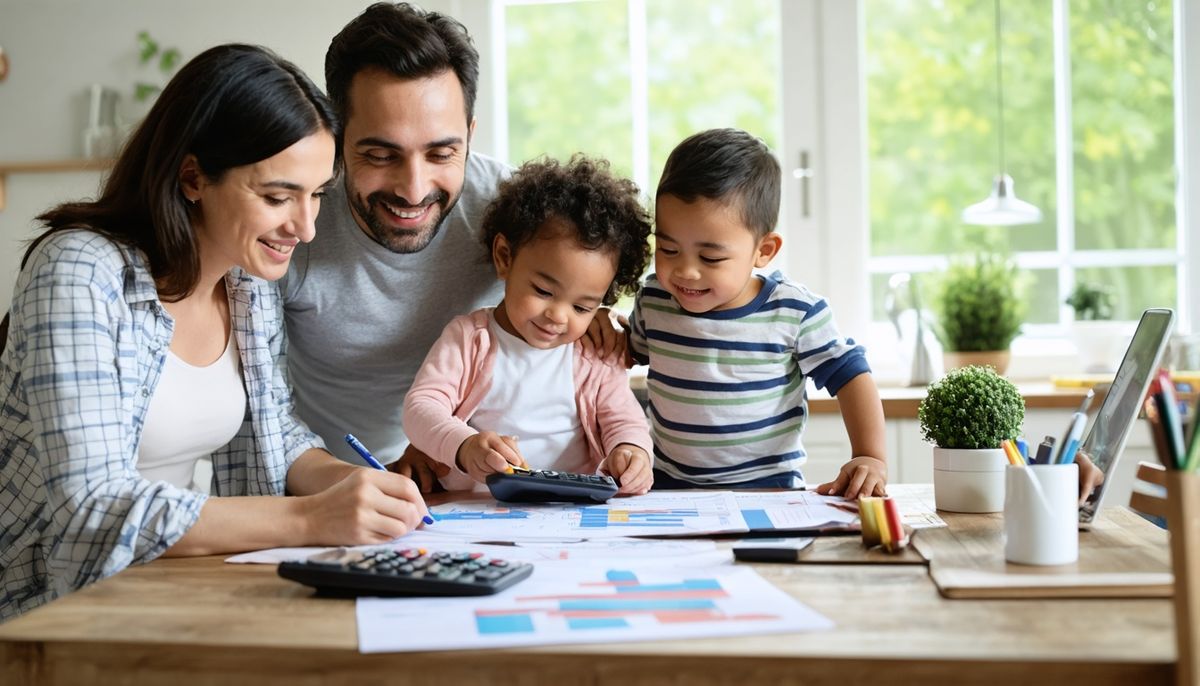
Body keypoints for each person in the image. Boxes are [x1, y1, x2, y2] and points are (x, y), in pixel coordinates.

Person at [0, 44, 430, 620]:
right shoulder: (78, 270)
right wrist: (311, 518)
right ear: (193, 177)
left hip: (161, 587)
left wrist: (351, 484)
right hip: (46, 607)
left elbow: (276, 433)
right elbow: (90, 508)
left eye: (317, 196)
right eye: (278, 196)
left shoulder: (247, 284)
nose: (304, 228)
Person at [281, 2, 626, 490]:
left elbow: (579, 282)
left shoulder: (517, 215)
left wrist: (599, 315)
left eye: (442, 153)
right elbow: (256, 408)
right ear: (337, 137)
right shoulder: (292, 228)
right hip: (333, 485)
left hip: (472, 489)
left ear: (469, 135)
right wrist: (342, 485)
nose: (413, 189)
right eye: (380, 154)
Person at [628, 128, 888, 496]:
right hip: (669, 487)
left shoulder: (794, 311)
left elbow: (851, 376)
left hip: (769, 490)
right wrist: (601, 323)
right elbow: (625, 352)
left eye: (710, 257)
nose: (685, 271)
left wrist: (870, 456)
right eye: (668, 250)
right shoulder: (654, 299)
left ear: (764, 250)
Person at [403, 156, 654, 494]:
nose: (559, 316)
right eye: (543, 291)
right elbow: (421, 409)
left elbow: (623, 419)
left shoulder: (594, 352)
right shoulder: (469, 339)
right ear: (505, 257)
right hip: (477, 507)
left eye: (582, 306)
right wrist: (463, 445)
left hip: (574, 506)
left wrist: (633, 451)